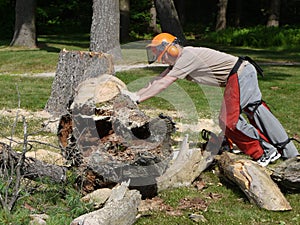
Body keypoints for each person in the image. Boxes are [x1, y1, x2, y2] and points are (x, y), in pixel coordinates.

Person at [123, 32, 299, 167]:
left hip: (239, 74)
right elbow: (156, 81)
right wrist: (132, 95)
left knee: (229, 120)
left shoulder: (187, 56)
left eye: (163, 55)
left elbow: (164, 84)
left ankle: (264, 152)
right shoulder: (180, 60)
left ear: (172, 48)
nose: (163, 60)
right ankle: (288, 152)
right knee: (256, 113)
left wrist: (138, 99)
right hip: (239, 74)